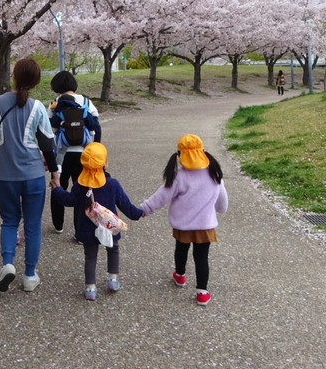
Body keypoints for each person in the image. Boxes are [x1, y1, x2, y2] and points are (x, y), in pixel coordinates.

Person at [0, 58, 60, 293]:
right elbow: (47, 146)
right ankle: (30, 276)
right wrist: (55, 174)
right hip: (33, 175)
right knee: (32, 226)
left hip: (5, 176)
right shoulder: (38, 108)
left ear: (13, 75)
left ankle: (8, 264)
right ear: (34, 82)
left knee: (10, 221)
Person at [140, 134, 228, 306]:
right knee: (201, 257)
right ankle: (202, 292)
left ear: (181, 155)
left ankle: (180, 276)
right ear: (202, 152)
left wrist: (144, 209)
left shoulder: (179, 176)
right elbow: (222, 198)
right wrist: (220, 209)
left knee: (181, 249)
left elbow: (161, 196)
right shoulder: (214, 172)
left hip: (183, 225)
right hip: (205, 225)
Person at [49, 142, 143, 300]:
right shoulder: (112, 184)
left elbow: (69, 200)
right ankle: (113, 279)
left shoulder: (80, 186)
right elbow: (126, 205)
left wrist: (57, 190)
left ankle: (90, 288)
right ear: (105, 163)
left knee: (90, 256)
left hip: (87, 228)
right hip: (108, 225)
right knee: (113, 249)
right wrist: (139, 213)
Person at [47, 70, 101, 236]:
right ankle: (80, 230)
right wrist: (97, 149)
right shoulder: (86, 102)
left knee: (58, 187)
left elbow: (49, 130)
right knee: (83, 190)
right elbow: (96, 126)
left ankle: (58, 225)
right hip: (83, 154)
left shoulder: (54, 104)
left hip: (60, 156)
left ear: (56, 86)